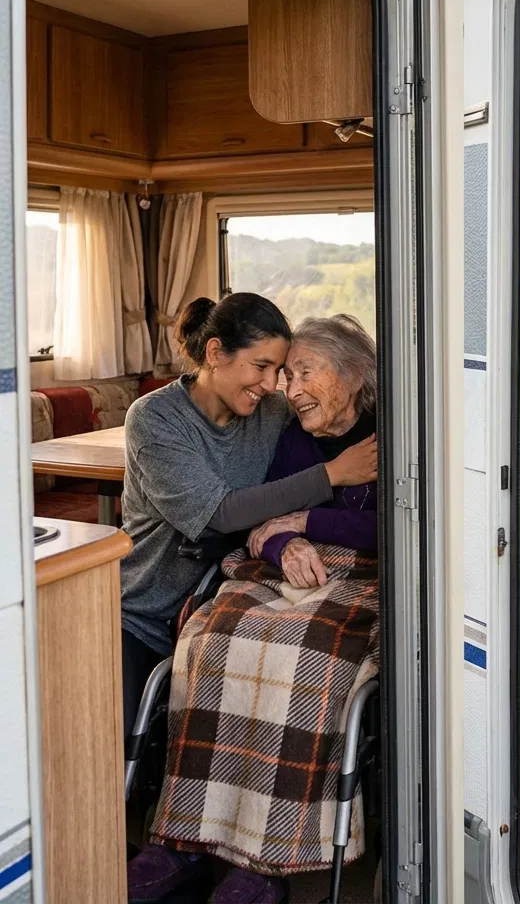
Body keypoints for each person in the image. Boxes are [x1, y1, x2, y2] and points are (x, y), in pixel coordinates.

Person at [127, 314, 379, 904]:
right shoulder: (285, 430)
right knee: (211, 638)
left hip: (361, 575)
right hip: (268, 565)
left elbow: (402, 522)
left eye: (299, 373)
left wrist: (310, 522)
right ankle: (182, 840)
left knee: (301, 657)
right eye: (278, 373)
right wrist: (285, 540)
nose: (286, 389)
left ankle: (265, 866)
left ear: (355, 372)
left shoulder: (395, 424)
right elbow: (251, 516)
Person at [120, 295, 377, 739]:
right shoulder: (155, 418)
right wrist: (332, 476)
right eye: (263, 367)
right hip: (146, 611)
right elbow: (222, 513)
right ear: (216, 354)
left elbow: (287, 492)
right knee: (112, 742)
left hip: (222, 591)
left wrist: (294, 528)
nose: (276, 385)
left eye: (281, 370)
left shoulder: (273, 411)